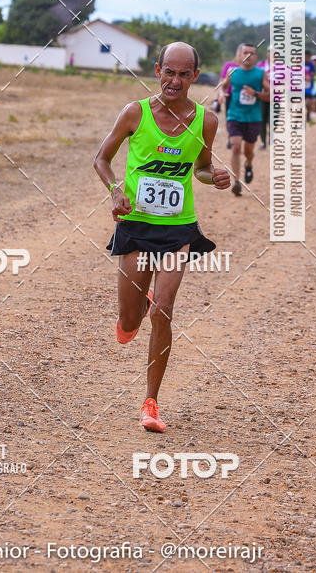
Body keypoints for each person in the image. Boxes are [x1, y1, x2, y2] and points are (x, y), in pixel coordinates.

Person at [93, 42, 230, 432]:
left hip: (177, 228)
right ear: (157, 70)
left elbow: (201, 168)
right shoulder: (135, 113)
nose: (175, 80)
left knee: (163, 311)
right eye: (169, 72)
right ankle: (136, 308)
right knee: (128, 322)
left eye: (184, 74)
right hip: (136, 226)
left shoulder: (206, 121)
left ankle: (150, 404)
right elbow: (101, 158)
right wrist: (115, 190)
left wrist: (214, 176)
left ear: (195, 77)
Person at [220, 43, 269, 196]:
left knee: (248, 151)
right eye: (245, 52)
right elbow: (223, 86)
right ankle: (236, 182)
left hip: (253, 118)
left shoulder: (260, 74)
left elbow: (271, 96)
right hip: (234, 115)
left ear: (255, 57)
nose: (248, 55)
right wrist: (222, 92)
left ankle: (249, 164)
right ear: (239, 55)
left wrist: (255, 93)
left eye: (252, 53)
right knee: (235, 147)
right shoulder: (233, 71)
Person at [219, 46, 242, 150]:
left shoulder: (247, 68)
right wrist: (220, 94)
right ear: (237, 54)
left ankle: (238, 137)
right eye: (240, 53)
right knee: (230, 117)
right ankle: (230, 136)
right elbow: (222, 80)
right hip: (230, 95)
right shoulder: (229, 65)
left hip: (241, 97)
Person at [256, 47, 273, 149]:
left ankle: (271, 139)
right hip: (262, 97)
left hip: (276, 98)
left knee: (272, 120)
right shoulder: (260, 65)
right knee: (262, 120)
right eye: (270, 51)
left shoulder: (282, 68)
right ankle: (263, 142)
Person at [304, 51, 316, 125]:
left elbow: (313, 74)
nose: (306, 58)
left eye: (308, 57)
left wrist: (309, 75)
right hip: (300, 88)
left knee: (308, 104)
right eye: (305, 56)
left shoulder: (311, 65)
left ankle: (308, 114)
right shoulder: (300, 64)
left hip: (308, 87)